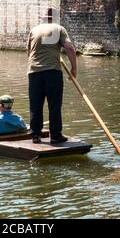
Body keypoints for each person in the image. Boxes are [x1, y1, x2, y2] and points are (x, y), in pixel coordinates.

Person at [27, 8, 77, 144]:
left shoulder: (34, 30)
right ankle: (55, 135)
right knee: (54, 105)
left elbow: (29, 52)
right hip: (52, 71)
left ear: (43, 18)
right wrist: (74, 68)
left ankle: (36, 135)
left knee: (35, 105)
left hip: (34, 72)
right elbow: (70, 48)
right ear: (55, 18)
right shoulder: (58, 28)